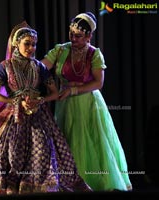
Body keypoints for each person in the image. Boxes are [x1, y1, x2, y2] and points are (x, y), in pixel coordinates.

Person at [0, 22, 92, 195]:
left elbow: (55, 93)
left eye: (34, 44)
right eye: (27, 43)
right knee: (9, 154)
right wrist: (15, 102)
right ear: (16, 44)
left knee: (43, 151)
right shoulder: (5, 66)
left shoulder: (39, 66)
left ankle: (37, 186)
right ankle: (9, 185)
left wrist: (40, 100)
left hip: (38, 116)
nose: (31, 48)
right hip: (13, 115)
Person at [41, 12, 132, 191]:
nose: (73, 39)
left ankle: (92, 181)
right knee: (66, 139)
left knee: (91, 140)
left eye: (78, 36)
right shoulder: (60, 50)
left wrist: (73, 90)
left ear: (89, 36)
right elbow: (41, 67)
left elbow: (98, 83)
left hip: (88, 102)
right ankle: (68, 182)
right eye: (71, 34)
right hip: (65, 105)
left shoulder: (94, 54)